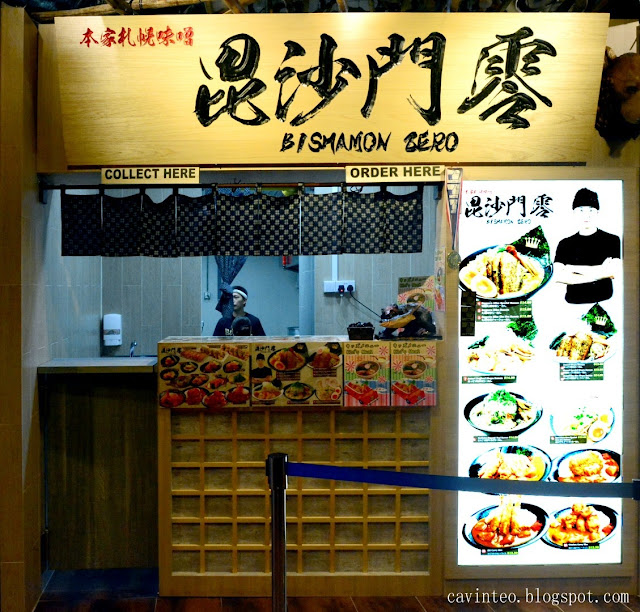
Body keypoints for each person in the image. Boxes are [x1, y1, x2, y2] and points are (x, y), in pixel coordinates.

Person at [553, 188, 621, 304]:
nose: (586, 215)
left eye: (591, 210)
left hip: (604, 302)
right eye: (581, 210)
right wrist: (601, 271)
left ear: (597, 212)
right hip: (572, 304)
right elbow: (558, 276)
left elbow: (612, 271)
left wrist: (571, 268)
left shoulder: (612, 240)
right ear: (574, 212)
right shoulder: (565, 243)